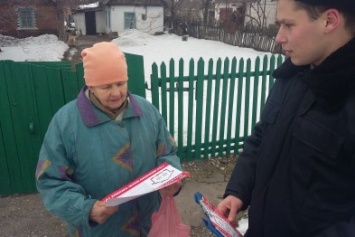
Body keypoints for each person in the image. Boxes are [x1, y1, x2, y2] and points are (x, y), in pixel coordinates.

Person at [217, 0, 355, 236]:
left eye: (288, 25)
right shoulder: (293, 73)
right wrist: (239, 190)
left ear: (329, 21)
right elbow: (262, 137)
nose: (279, 37)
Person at [35, 42, 182, 237]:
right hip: (98, 231)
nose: (116, 93)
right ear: (91, 85)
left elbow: (167, 153)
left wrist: (172, 178)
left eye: (120, 83)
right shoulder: (66, 123)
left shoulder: (147, 111)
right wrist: (85, 209)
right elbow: (50, 180)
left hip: (149, 226)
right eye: (106, 86)